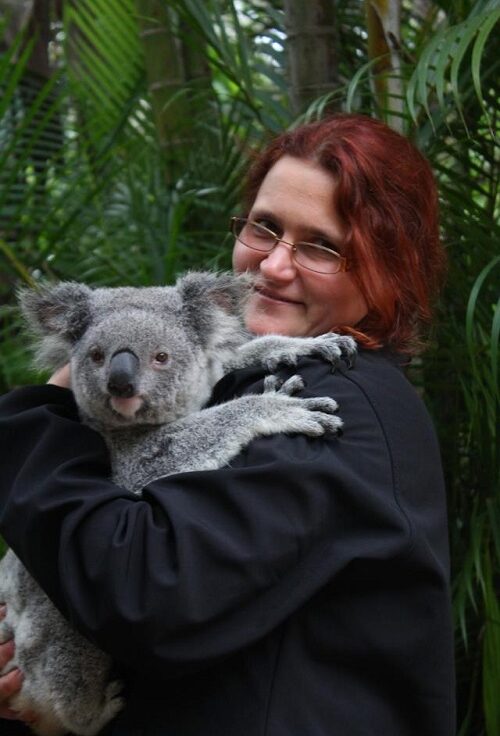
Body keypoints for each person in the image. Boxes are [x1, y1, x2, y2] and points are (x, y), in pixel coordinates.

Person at [0, 113, 455, 735]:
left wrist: (42, 415)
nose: (274, 266)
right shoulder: (231, 377)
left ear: (386, 271)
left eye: (321, 246)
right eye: (264, 228)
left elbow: (145, 593)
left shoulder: (343, 404)